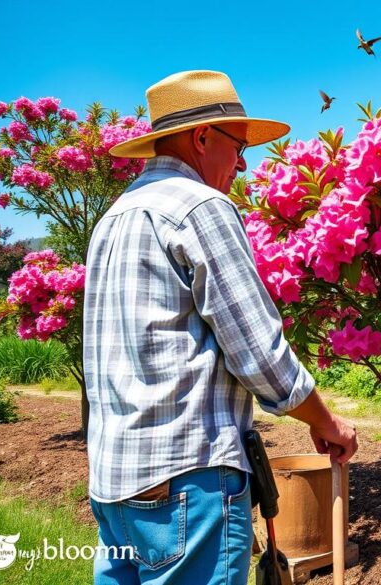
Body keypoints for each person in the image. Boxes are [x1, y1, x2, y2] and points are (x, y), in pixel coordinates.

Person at [83, 70, 358, 584]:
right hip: (187, 484)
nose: (243, 161)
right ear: (203, 137)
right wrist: (325, 421)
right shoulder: (199, 207)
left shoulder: (114, 217)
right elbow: (257, 351)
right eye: (237, 144)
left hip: (114, 485)